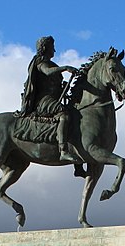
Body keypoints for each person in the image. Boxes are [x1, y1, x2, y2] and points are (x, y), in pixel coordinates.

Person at [17, 35, 81, 165]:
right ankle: (63, 151)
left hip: (53, 99)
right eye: (52, 47)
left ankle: (78, 158)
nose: (54, 51)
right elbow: (47, 72)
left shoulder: (51, 64)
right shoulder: (40, 62)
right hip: (43, 101)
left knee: (75, 115)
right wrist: (65, 68)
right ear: (45, 47)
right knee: (64, 115)